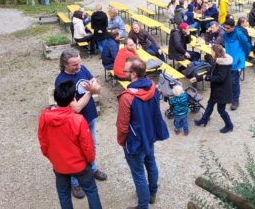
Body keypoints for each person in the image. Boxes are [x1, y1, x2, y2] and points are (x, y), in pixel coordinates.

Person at [38, 80, 102, 209]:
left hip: (59, 165)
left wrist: (52, 158)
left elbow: (43, 141)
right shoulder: (78, 120)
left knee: (64, 194)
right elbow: (87, 146)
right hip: (80, 165)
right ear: (73, 99)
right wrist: (90, 161)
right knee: (91, 191)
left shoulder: (44, 117)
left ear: (55, 98)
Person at [116, 57, 170, 209]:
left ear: (133, 74)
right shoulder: (152, 87)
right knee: (151, 162)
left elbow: (122, 126)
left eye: (126, 71)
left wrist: (122, 142)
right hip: (149, 135)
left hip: (135, 142)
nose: (123, 73)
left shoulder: (127, 97)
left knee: (138, 173)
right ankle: (152, 193)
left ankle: (143, 205)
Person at [55, 49, 107, 199]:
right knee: (76, 152)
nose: (78, 67)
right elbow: (76, 107)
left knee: (92, 145)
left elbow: (95, 82)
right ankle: (75, 182)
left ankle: (93, 169)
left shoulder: (82, 68)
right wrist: (90, 92)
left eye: (79, 63)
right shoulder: (61, 81)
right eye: (74, 65)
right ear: (65, 64)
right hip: (75, 123)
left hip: (90, 116)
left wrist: (95, 86)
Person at [191, 45, 234, 133]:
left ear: (216, 52)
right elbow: (209, 72)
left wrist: (207, 78)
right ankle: (204, 120)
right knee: (210, 104)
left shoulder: (223, 64)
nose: (211, 53)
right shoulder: (217, 61)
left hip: (222, 91)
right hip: (216, 90)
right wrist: (198, 78)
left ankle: (229, 125)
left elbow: (220, 78)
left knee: (221, 110)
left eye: (212, 52)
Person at [223, 18, 251, 110]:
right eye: (224, 27)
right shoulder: (225, 35)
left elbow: (247, 45)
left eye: (227, 28)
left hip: (238, 61)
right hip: (228, 61)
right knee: (228, 80)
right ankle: (230, 97)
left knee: (234, 81)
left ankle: (235, 100)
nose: (225, 29)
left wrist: (243, 57)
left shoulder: (239, 34)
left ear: (233, 27)